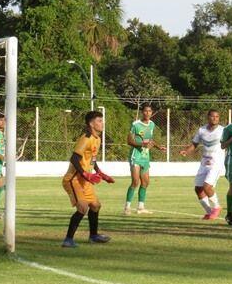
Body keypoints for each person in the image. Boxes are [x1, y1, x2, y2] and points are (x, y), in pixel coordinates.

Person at [61, 110, 114, 247]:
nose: (103, 123)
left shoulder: (97, 139)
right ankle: (68, 240)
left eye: (102, 120)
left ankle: (93, 235)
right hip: (73, 179)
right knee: (83, 207)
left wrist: (101, 174)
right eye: (99, 121)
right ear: (91, 123)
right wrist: (86, 174)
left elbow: (92, 160)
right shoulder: (86, 138)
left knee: (96, 206)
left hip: (85, 180)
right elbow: (74, 158)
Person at [180, 109, 224, 220]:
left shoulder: (223, 130)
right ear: (208, 117)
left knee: (207, 186)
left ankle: (217, 207)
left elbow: (229, 142)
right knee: (198, 189)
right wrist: (186, 151)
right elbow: (194, 144)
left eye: (217, 116)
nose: (215, 118)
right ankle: (209, 212)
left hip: (216, 163)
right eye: (213, 116)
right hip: (204, 163)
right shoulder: (202, 130)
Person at [125, 103, 165, 215]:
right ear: (142, 112)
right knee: (135, 181)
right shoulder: (136, 124)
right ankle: (127, 207)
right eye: (145, 111)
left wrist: (158, 147)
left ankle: (140, 207)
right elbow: (129, 141)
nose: (147, 113)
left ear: (152, 113)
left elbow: (150, 140)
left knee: (145, 182)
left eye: (149, 111)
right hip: (136, 156)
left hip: (145, 157)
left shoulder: (152, 124)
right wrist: (142, 144)